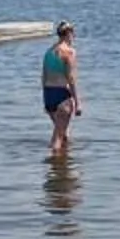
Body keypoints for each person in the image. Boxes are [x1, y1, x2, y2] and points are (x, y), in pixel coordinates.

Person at [41, 21, 79, 158]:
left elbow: (43, 76)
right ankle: (55, 168)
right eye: (73, 34)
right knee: (57, 137)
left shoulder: (48, 52)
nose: (73, 38)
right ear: (68, 34)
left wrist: (44, 100)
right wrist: (78, 102)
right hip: (62, 95)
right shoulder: (69, 52)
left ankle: (65, 160)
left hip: (49, 94)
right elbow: (71, 78)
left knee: (63, 132)